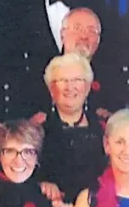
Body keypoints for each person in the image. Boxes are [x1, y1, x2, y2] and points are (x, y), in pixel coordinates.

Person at [18, 0, 107, 119]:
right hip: (37, 113)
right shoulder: (19, 10)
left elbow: (105, 60)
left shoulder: (97, 6)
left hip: (90, 112)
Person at [37, 53, 107, 198]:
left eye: (77, 80)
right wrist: (43, 185)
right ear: (51, 89)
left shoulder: (104, 129)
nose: (70, 87)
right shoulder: (37, 132)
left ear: (87, 87)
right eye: (63, 80)